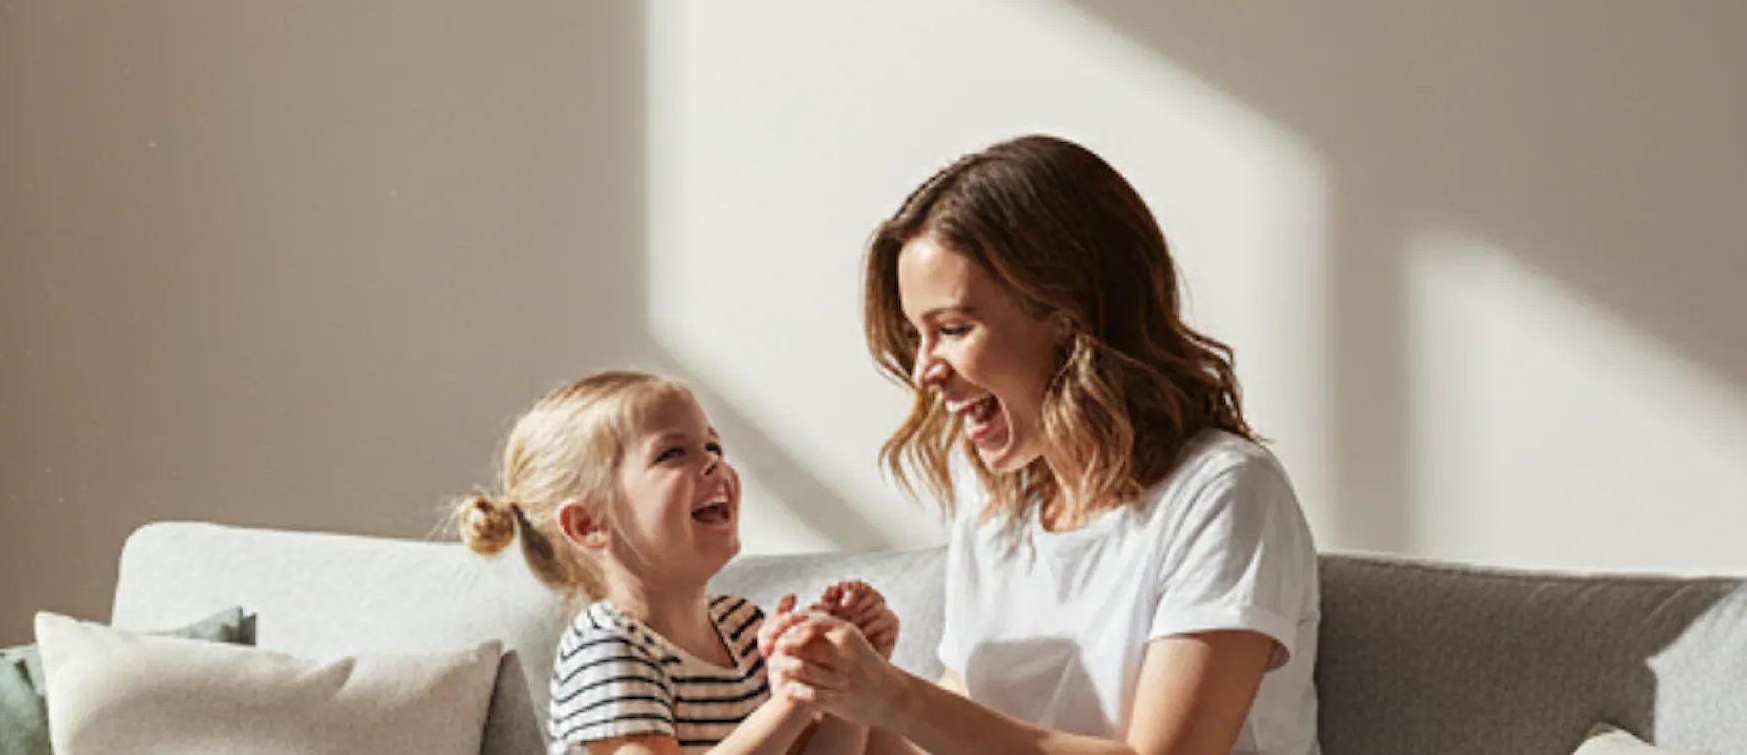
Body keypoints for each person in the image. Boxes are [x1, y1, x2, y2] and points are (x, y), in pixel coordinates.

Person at [764, 136, 1320, 755]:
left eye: (953, 329)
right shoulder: (998, 501)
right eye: (917, 336)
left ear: (1068, 315)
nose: (924, 372)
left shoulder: (1224, 492)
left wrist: (895, 697)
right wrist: (841, 688)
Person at [459, 369, 906, 755]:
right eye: (672, 453)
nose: (713, 463)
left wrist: (848, 682)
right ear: (589, 524)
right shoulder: (605, 648)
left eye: (714, 446)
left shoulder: (743, 628)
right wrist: (793, 700)